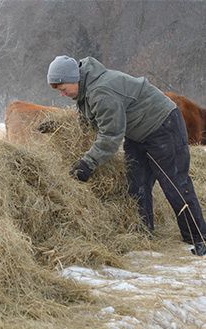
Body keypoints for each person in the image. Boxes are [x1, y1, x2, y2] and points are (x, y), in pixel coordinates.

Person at [47, 55, 206, 256]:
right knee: (136, 183)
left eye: (63, 89)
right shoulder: (84, 91)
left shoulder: (101, 91)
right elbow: (89, 121)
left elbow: (110, 135)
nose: (62, 94)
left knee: (174, 183)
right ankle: (143, 233)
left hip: (163, 126)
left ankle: (197, 236)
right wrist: (58, 126)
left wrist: (87, 164)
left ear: (73, 78)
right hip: (137, 132)